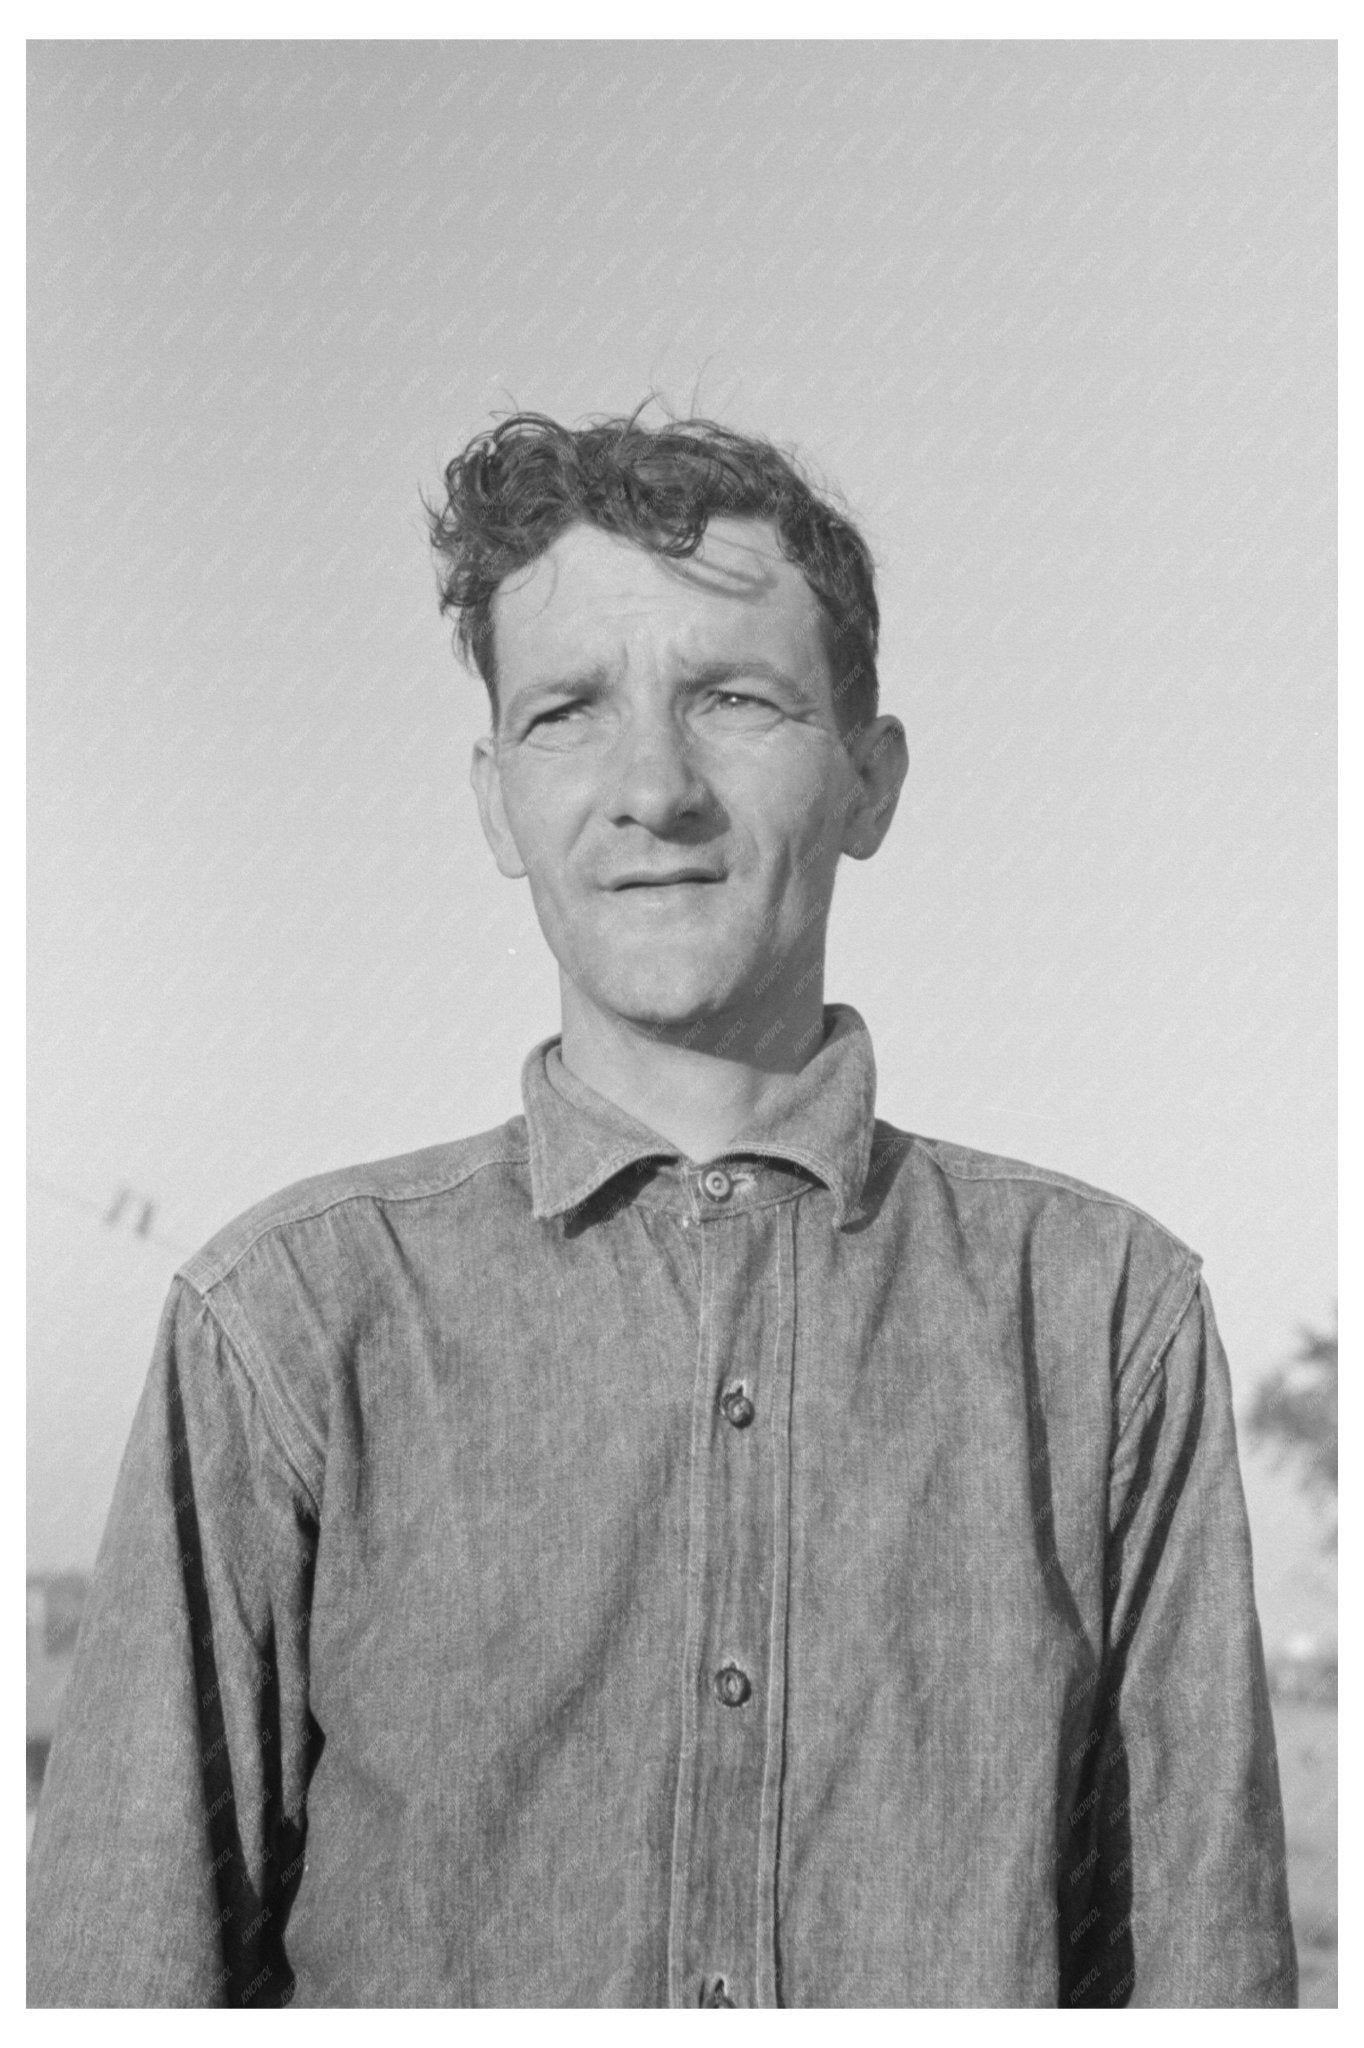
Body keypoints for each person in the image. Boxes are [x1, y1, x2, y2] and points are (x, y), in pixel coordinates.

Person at [27, 410, 1296, 2008]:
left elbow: (1208, 1980)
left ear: (871, 779)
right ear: (496, 802)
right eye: (569, 712)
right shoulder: (282, 1327)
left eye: (736, 700)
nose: (653, 787)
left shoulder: (1109, 1321)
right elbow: (119, 1980)